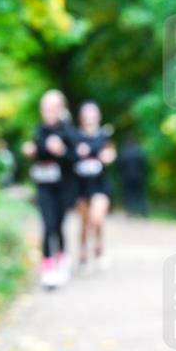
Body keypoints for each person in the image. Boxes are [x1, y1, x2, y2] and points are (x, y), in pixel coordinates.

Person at [21, 89, 76, 289]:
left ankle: (62, 260)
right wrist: (30, 151)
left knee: (59, 226)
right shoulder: (38, 130)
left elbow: (75, 160)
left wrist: (62, 151)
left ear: (61, 109)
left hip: (64, 187)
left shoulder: (69, 131)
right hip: (44, 187)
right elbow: (35, 154)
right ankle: (47, 268)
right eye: (45, 108)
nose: (49, 112)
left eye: (53, 108)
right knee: (48, 225)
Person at [72, 101, 116, 272]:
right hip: (81, 186)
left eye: (93, 114)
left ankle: (99, 247)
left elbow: (111, 152)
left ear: (98, 117)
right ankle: (83, 254)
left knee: (96, 218)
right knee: (84, 223)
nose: (90, 118)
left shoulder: (104, 136)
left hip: (100, 185)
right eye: (86, 115)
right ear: (81, 118)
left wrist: (108, 156)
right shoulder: (75, 137)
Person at [117, 137, 149, 217]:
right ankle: (143, 211)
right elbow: (144, 164)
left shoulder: (123, 152)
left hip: (126, 177)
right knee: (140, 194)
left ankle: (130, 211)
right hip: (139, 176)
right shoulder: (139, 151)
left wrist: (121, 174)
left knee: (128, 194)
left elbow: (119, 165)